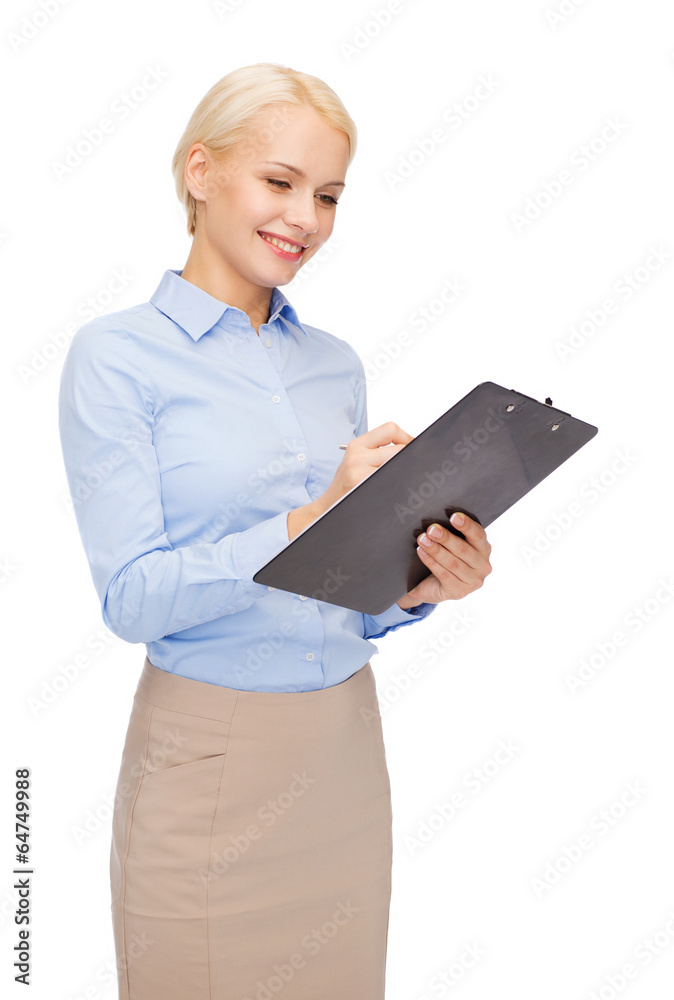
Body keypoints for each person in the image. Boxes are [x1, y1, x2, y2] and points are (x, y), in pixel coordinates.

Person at [57, 62, 492, 1000]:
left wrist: (415, 589)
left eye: (329, 195)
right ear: (201, 172)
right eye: (280, 183)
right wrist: (302, 518)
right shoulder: (115, 357)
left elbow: (338, 594)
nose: (307, 218)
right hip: (208, 767)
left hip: (341, 757)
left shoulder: (335, 366)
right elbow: (132, 599)